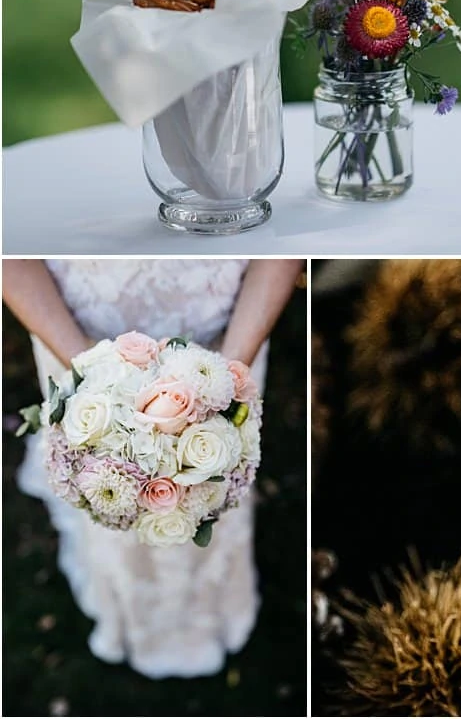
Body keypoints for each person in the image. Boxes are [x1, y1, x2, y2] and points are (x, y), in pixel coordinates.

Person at [2, 258, 302, 679]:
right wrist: (91, 376)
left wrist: (226, 380)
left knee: (211, 483)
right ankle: (122, 605)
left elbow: (282, 242)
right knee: (107, 493)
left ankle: (214, 603)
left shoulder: (226, 374)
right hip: (73, 332)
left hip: (226, 338)